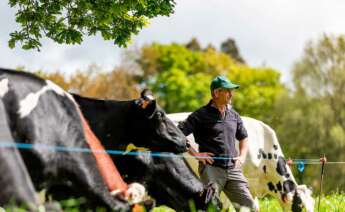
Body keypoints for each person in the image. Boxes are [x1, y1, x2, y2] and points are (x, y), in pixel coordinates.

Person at [178, 75, 257, 211]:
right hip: (211, 170)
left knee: (251, 208)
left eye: (231, 91)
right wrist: (197, 154)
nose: (231, 94)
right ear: (216, 93)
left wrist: (242, 156)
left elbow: (243, 137)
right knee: (210, 208)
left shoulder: (234, 115)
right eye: (227, 90)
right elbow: (178, 133)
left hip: (233, 169)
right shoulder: (200, 115)